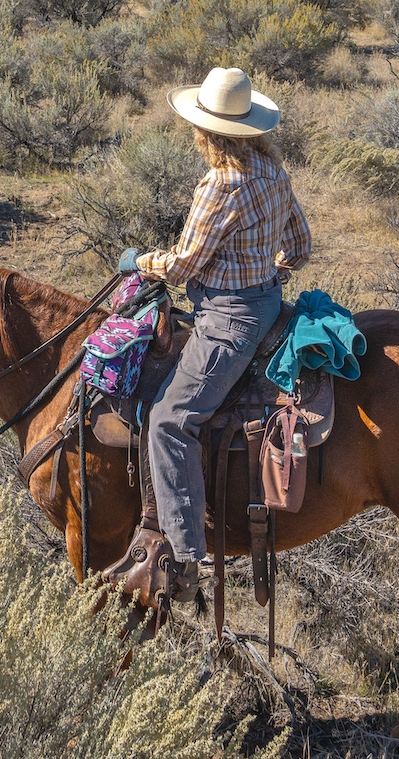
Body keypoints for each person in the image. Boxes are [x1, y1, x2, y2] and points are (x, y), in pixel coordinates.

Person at [104, 66, 311, 601]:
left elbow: (183, 264)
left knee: (170, 421)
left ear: (208, 133)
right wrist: (267, 269)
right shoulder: (272, 169)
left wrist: (139, 261)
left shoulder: (221, 184)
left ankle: (185, 558)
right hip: (266, 303)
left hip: (227, 320)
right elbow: (301, 245)